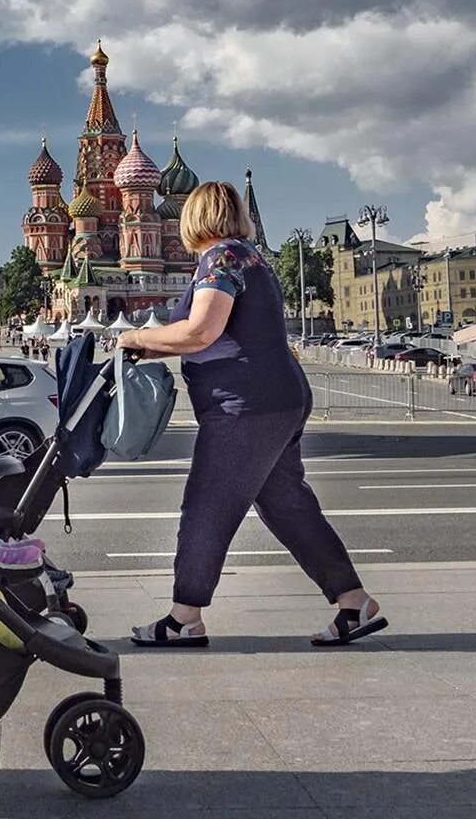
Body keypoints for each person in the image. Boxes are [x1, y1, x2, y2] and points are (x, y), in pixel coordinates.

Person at [119, 181, 384, 649]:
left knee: (207, 505)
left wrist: (135, 340)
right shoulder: (249, 256)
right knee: (287, 504)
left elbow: (201, 332)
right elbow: (218, 335)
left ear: (192, 218)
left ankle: (184, 619)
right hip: (278, 397)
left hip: (246, 407)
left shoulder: (220, 259)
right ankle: (353, 601)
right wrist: (156, 348)